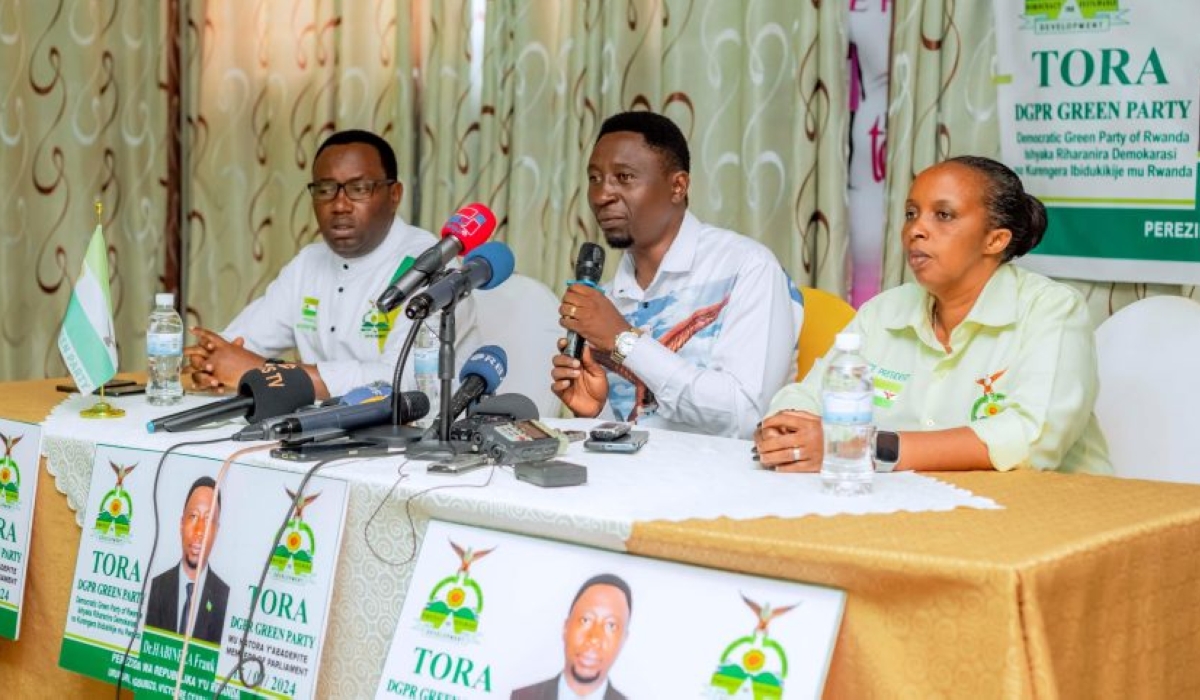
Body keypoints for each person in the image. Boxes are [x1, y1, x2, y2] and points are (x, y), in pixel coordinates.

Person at [756, 155, 1111, 474]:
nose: (916, 230)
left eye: (944, 215)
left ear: (995, 240)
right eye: (911, 214)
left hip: (1045, 518)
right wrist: (787, 429)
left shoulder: (1052, 309)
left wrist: (858, 446)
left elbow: (1032, 440)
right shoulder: (884, 311)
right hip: (914, 511)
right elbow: (808, 395)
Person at [551, 112, 803, 439]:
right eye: (595, 178)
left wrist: (624, 340)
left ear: (678, 186)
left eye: (624, 177)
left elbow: (745, 416)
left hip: (724, 484)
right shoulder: (609, 300)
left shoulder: (748, 268)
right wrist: (596, 414)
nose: (601, 196)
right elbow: (632, 435)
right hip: (631, 483)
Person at [185, 129, 479, 400]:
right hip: (321, 434)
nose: (339, 205)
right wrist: (211, 361)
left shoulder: (429, 264)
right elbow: (242, 343)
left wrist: (267, 374)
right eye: (326, 189)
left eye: (359, 189)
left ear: (394, 195)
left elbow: (404, 380)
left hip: (418, 438)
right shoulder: (308, 263)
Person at [511, 574, 633, 700]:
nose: (594, 638)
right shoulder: (522, 697)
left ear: (623, 640)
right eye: (585, 620)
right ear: (566, 627)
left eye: (611, 625)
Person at [145, 476, 230, 645]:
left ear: (217, 531)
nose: (199, 531)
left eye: (208, 520)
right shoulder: (155, 588)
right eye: (193, 516)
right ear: (181, 523)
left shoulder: (224, 598)